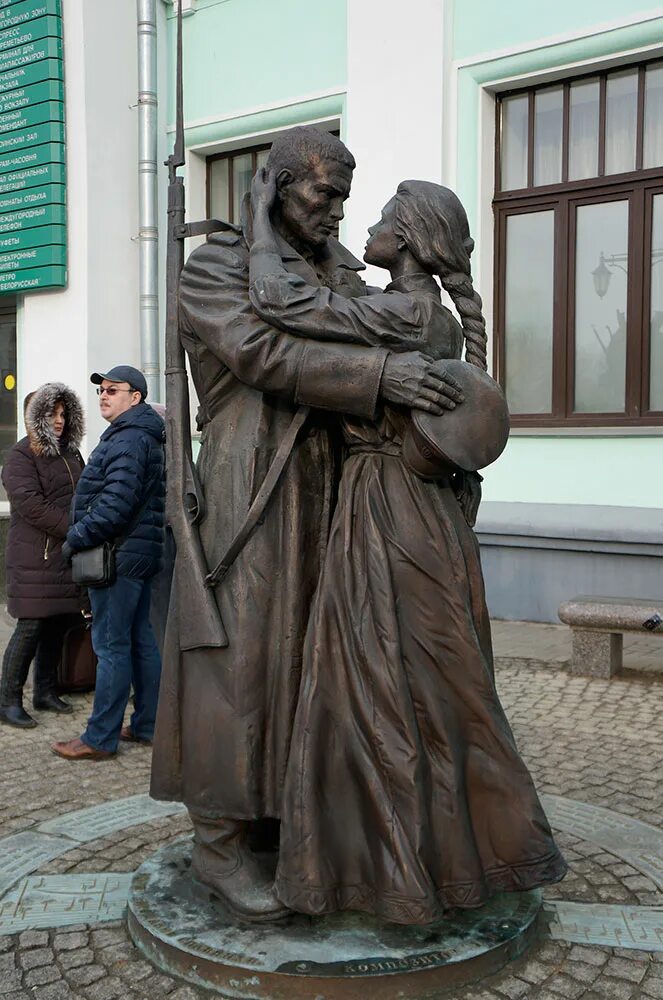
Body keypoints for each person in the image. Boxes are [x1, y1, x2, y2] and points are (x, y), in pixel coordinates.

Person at [150, 127, 461, 922]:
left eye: (344, 199)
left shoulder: (342, 273)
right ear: (276, 186)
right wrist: (382, 373)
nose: (334, 212)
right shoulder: (216, 266)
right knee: (245, 656)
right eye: (322, 194)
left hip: (342, 483)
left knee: (325, 661)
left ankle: (298, 826)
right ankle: (221, 844)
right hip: (252, 480)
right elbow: (262, 353)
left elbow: (389, 322)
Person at [248, 175, 567, 923]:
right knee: (424, 683)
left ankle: (393, 875)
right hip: (421, 510)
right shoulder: (433, 318)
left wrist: (267, 216)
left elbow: (280, 304)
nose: (365, 227)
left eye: (383, 219)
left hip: (383, 509)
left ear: (412, 239)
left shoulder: (397, 312)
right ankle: (447, 857)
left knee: (374, 682)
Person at [51, 365, 165, 761]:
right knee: (139, 640)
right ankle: (149, 725)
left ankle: (100, 738)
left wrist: (75, 539)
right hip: (135, 553)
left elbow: (117, 504)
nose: (103, 394)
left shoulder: (130, 439)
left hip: (117, 555)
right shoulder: (135, 434)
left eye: (113, 390)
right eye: (101, 389)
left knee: (112, 645)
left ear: (135, 397)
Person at [0, 383, 85, 728]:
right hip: (36, 558)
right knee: (31, 626)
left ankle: (45, 691)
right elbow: (32, 505)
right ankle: (7, 700)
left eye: (64, 413)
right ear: (35, 417)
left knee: (59, 623)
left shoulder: (71, 454)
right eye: (52, 413)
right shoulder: (20, 456)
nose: (60, 420)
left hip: (65, 557)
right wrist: (75, 528)